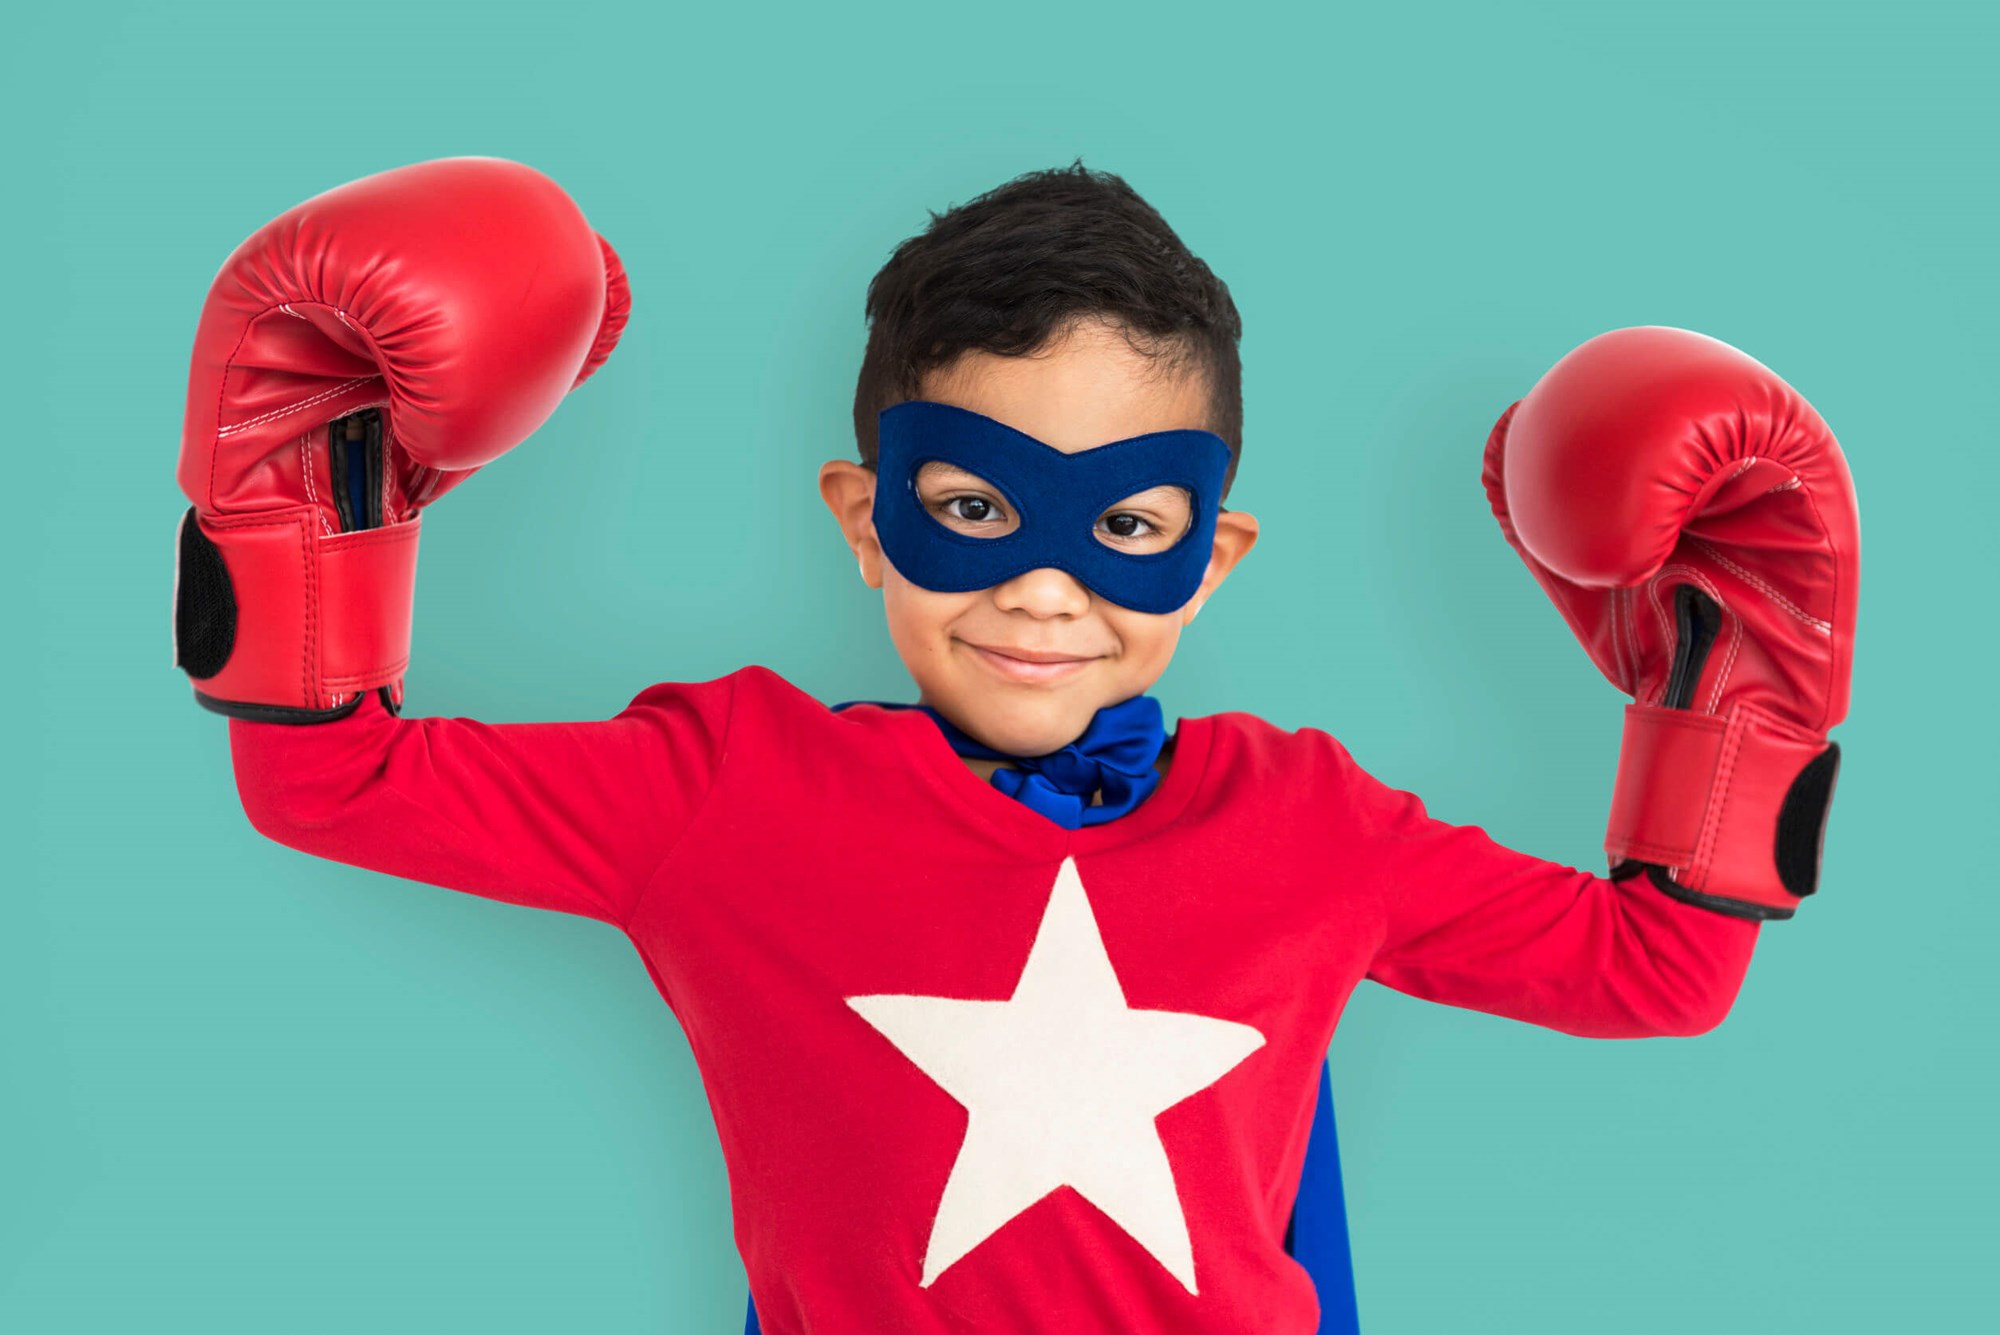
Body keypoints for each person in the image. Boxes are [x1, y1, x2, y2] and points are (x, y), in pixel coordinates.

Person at [172, 157, 1858, 1334]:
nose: (1045, 589)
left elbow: (1658, 973)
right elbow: (330, 774)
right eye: (973, 510)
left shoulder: (1313, 824)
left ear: (1215, 553)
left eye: (1126, 524)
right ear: (864, 516)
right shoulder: (729, 791)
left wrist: (1731, 700)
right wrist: (317, 499)